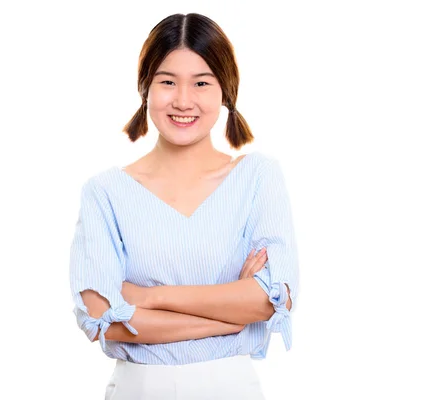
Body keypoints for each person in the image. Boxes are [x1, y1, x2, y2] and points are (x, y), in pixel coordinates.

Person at [68, 12, 299, 399]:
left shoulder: (257, 178)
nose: (183, 100)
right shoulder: (105, 192)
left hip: (230, 389)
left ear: (224, 90)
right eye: (168, 81)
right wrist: (227, 319)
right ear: (146, 88)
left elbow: (265, 299)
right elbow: (106, 320)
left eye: (202, 82)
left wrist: (150, 297)